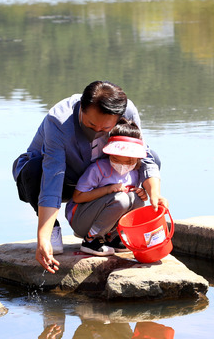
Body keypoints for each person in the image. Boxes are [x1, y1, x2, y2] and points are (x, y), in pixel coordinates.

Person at [12, 80, 166, 272]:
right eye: (91, 124)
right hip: (62, 179)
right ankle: (53, 229)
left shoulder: (128, 112)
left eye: (104, 129)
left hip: (100, 179)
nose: (96, 132)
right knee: (34, 169)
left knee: (151, 161)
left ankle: (112, 232)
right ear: (81, 109)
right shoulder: (58, 121)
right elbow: (52, 177)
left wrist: (154, 196)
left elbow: (145, 158)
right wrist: (42, 237)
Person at [67, 118, 147, 256]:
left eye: (128, 161)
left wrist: (141, 192)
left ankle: (114, 237)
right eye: (116, 159)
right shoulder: (98, 169)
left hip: (108, 222)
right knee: (120, 199)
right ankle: (91, 240)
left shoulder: (135, 172)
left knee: (137, 199)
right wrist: (107, 190)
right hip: (82, 220)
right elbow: (78, 197)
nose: (122, 164)